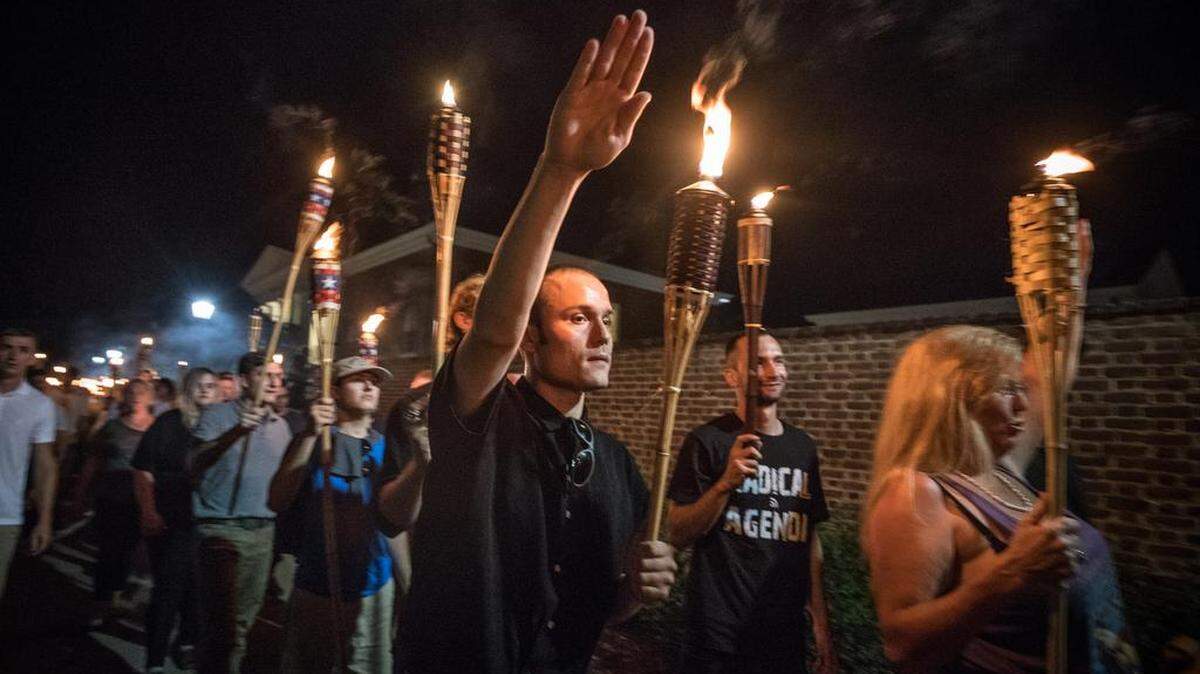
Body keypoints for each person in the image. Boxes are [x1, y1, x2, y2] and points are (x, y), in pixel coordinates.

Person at [398, 12, 675, 673]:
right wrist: (563, 168)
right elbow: (491, 332)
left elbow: (600, 608)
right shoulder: (480, 420)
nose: (603, 333)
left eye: (606, 317)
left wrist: (637, 590)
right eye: (578, 318)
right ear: (531, 338)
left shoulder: (617, 467)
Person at [862, 325, 1139, 673]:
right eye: (1007, 389)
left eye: (1020, 389)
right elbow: (902, 644)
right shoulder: (916, 493)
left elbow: (1049, 374)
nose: (1022, 404)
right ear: (954, 397)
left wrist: (1068, 284)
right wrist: (1012, 572)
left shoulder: (1000, 467)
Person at [667, 332, 835, 673]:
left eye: (779, 360)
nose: (773, 371)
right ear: (731, 376)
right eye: (759, 362)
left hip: (783, 638)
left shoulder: (803, 447)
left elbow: (810, 543)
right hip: (717, 637)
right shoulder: (708, 442)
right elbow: (677, 532)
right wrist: (725, 484)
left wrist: (822, 627)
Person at [269, 357, 397, 672]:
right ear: (335, 392)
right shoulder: (313, 441)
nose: (370, 386)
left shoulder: (387, 448)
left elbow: (394, 525)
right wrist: (311, 434)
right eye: (358, 380)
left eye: (375, 381)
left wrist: (408, 586)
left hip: (375, 587)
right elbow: (277, 499)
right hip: (318, 585)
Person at [188, 352, 292, 674]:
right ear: (245, 380)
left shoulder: (281, 426)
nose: (275, 381)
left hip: (262, 532)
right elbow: (193, 462)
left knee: (244, 622)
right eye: (266, 375)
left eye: (279, 376)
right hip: (220, 529)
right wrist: (234, 432)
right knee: (222, 624)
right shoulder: (217, 415)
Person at [132, 367, 218, 672]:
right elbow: (144, 470)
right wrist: (148, 510)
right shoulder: (169, 423)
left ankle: (185, 643)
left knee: (198, 590)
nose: (207, 391)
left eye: (212, 386)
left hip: (207, 520)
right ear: (188, 389)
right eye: (200, 386)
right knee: (168, 589)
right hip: (172, 517)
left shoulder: (222, 427)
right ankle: (154, 658)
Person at [77, 378, 156, 623]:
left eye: (141, 392)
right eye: (131, 392)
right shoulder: (112, 427)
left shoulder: (157, 429)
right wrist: (81, 493)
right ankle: (101, 601)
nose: (135, 396)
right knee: (109, 550)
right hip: (111, 497)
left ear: (150, 398)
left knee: (129, 550)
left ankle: (116, 593)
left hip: (141, 498)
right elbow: (93, 462)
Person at [0, 328, 58, 598]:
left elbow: (45, 465)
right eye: (7, 347)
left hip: (5, 514)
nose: (13, 356)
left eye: (22, 350)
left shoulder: (39, 405)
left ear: (32, 359)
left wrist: (44, 520)